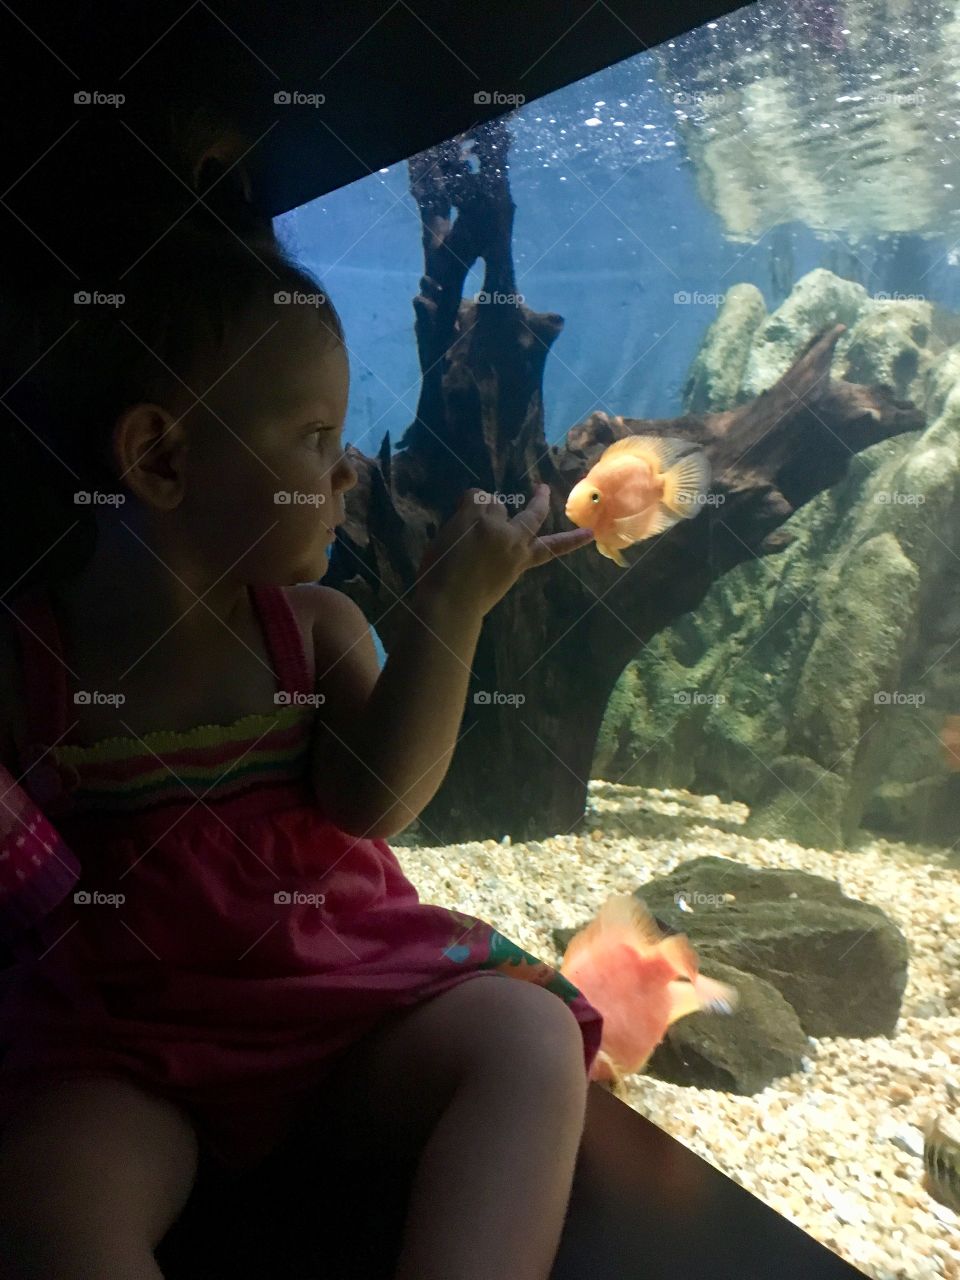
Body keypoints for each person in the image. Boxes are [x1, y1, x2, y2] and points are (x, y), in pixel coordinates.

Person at [0, 220, 602, 1280]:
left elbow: (378, 802)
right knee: (46, 1194)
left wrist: (448, 610)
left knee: (528, 1038)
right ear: (163, 457)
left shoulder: (311, 627)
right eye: (315, 436)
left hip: (341, 1009)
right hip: (136, 1049)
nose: (348, 467)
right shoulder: (29, 660)